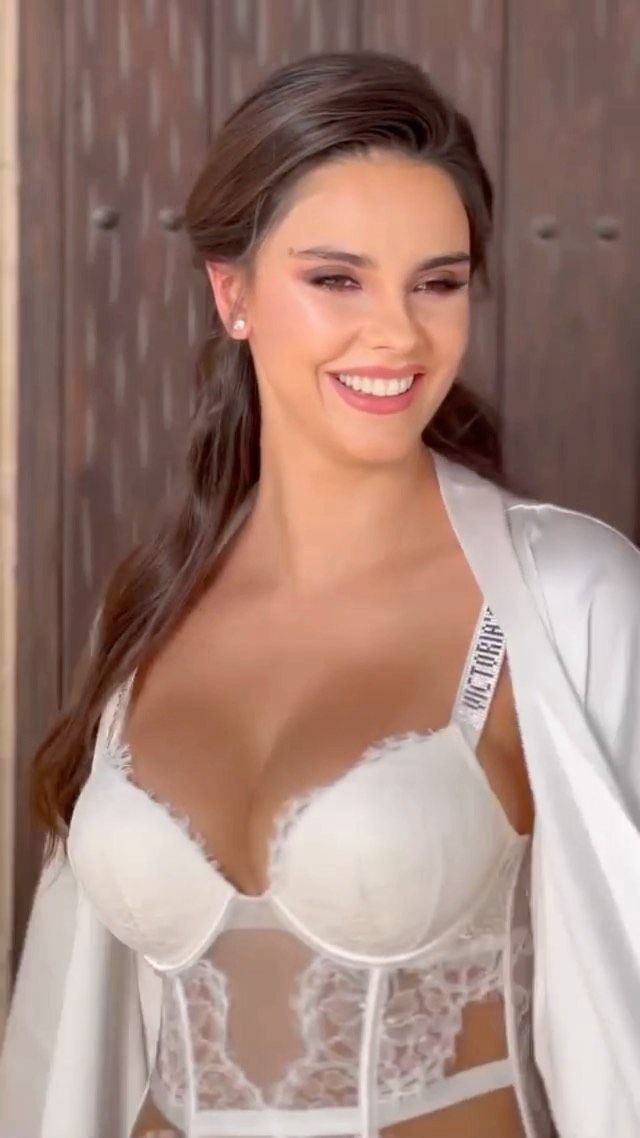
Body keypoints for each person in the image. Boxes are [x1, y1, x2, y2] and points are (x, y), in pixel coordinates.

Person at [1, 49, 640, 1138]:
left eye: (437, 282)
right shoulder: (152, 609)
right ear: (233, 293)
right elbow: (70, 1030)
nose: (397, 333)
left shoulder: (566, 600)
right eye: (337, 279)